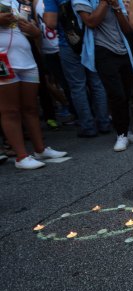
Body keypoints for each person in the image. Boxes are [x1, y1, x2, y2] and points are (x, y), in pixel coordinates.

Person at [1, 1, 67, 169]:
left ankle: (40, 149)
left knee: (31, 107)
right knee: (10, 111)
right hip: (4, 60)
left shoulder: (17, 2)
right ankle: (21, 157)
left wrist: (34, 31)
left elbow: (36, 30)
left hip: (26, 58)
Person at [74, 0, 133, 152]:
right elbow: (91, 22)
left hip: (123, 50)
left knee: (126, 93)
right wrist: (105, 2)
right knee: (116, 94)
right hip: (102, 51)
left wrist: (117, 8)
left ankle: (126, 130)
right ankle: (121, 134)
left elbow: (127, 28)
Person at [43, 0, 111, 138]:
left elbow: (50, 22)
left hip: (68, 43)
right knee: (97, 83)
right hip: (91, 39)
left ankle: (88, 126)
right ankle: (104, 123)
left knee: (77, 86)